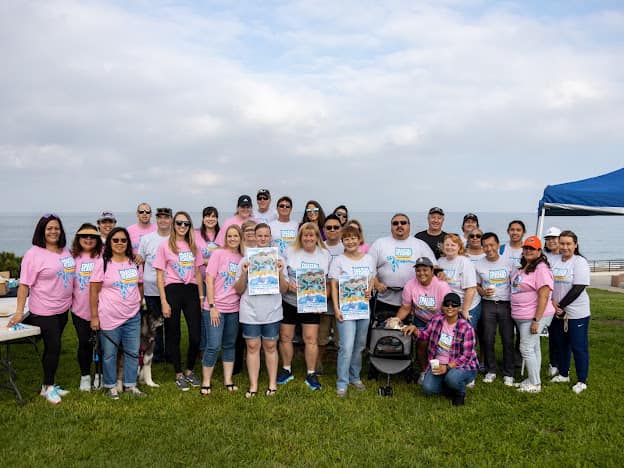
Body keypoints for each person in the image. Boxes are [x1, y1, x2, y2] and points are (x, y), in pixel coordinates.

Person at [9, 214, 76, 404]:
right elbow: (24, 285)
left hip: (63, 309)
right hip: (44, 310)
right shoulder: (34, 254)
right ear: (42, 231)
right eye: (49, 228)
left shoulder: (65, 251)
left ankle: (49, 384)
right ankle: (47, 387)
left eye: (56, 228)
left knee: (52, 348)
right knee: (54, 348)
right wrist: (20, 311)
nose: (53, 231)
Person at [89, 227, 145, 399]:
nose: (120, 243)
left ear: (128, 242)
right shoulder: (103, 263)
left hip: (132, 316)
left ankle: (130, 385)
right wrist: (94, 317)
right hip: (109, 316)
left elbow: (140, 284)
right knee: (109, 354)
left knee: (132, 352)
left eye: (123, 240)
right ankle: (111, 386)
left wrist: (137, 301)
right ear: (110, 243)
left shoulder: (134, 262)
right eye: (116, 240)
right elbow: (93, 291)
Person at [234, 223, 288, 397]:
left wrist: (279, 272)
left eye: (266, 235)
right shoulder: (246, 259)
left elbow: (285, 289)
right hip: (250, 310)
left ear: (270, 237)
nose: (263, 238)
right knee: (252, 346)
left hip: (272, 309)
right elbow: (239, 289)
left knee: (271, 346)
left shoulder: (279, 259)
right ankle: (253, 385)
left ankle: (272, 384)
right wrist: (244, 273)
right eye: (260, 235)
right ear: (254, 237)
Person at [153, 211, 203, 391]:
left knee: (196, 335)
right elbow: (159, 276)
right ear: (174, 225)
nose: (182, 227)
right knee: (173, 333)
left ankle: (189, 370)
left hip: (191, 291)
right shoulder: (165, 246)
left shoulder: (193, 246)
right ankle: (178, 373)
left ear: (190, 226)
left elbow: (197, 273)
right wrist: (164, 301)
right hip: (172, 290)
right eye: (179, 223)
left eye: (186, 224)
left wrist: (201, 297)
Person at [277, 222, 330, 391]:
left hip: (311, 304)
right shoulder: (290, 252)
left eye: (312, 235)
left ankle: (311, 373)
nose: (308, 238)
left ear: (317, 237)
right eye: (305, 235)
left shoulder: (324, 254)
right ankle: (286, 370)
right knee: (285, 337)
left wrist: (322, 299)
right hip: (290, 301)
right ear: (300, 236)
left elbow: (329, 282)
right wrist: (289, 286)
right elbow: (283, 278)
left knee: (311, 339)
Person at [329, 226, 376, 397]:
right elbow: (333, 285)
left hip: (363, 309)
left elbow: (371, 279)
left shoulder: (369, 259)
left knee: (359, 346)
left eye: (353, 238)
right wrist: (336, 307)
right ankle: (342, 382)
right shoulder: (339, 261)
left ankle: (354, 376)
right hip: (345, 310)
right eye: (347, 239)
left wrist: (369, 289)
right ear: (342, 242)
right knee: (346, 346)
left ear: (359, 239)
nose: (350, 242)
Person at [411, 292, 478, 406]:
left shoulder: (466, 327)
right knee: (428, 388)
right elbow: (425, 334)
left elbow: (466, 356)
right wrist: (414, 329)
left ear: (459, 307)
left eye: (454, 305)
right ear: (442, 306)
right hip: (438, 363)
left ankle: (459, 392)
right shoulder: (437, 319)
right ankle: (450, 388)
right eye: (447, 304)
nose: (450, 307)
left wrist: (447, 368)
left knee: (452, 378)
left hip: (462, 365)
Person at [201, 225, 244, 395]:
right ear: (225, 238)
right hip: (215, 307)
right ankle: (206, 381)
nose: (233, 239)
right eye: (230, 236)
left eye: (236, 236)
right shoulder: (218, 254)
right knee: (213, 345)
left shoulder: (242, 257)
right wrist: (212, 306)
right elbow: (209, 280)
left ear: (240, 238)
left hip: (234, 308)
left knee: (229, 344)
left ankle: (228, 380)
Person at [368, 213, 436, 321]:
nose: (399, 225)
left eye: (403, 223)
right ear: (391, 227)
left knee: (408, 335)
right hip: (384, 300)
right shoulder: (379, 243)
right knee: (382, 334)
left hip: (413, 302)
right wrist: (376, 283)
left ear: (409, 226)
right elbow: (369, 268)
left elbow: (434, 268)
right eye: (395, 223)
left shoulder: (420, 245)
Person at [510, 236, 555, 393]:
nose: (528, 251)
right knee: (534, 348)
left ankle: (535, 384)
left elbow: (544, 296)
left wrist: (537, 320)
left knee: (526, 348)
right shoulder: (526, 266)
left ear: (539, 251)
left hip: (533, 316)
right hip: (522, 315)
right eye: (526, 248)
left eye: (532, 249)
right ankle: (532, 378)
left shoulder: (541, 269)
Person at [396, 257, 451, 383]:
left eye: (425, 270)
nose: (422, 273)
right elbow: (406, 307)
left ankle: (441, 371)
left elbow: (448, 310)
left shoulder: (442, 286)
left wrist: (440, 327)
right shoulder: (410, 285)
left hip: (440, 320)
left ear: (432, 270)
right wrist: (395, 319)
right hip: (421, 319)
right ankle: (424, 371)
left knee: (439, 346)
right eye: (418, 270)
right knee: (421, 344)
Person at [549, 230, 591, 394]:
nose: (565, 247)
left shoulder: (579, 262)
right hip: (557, 311)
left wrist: (561, 305)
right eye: (562, 243)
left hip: (576, 313)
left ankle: (582, 380)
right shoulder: (554, 261)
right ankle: (564, 373)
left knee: (578, 347)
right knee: (562, 345)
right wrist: (553, 303)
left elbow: (579, 287)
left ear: (575, 245)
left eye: (568, 243)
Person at [475, 232, 515, 386]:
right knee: (488, 338)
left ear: (498, 245)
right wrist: (483, 292)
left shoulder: (508, 263)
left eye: (492, 245)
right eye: (485, 246)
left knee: (507, 339)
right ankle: (491, 370)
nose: (489, 248)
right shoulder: (478, 264)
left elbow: (515, 283)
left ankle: (509, 372)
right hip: (488, 304)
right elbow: (477, 285)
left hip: (506, 304)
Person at [70, 223, 103, 391]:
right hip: (79, 310)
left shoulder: (104, 256)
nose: (88, 239)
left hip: (103, 309)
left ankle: (100, 374)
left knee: (102, 344)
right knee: (85, 343)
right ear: (78, 238)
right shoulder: (71, 257)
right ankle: (85, 376)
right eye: (84, 236)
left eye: (92, 237)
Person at [138, 207, 173, 363]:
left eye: (166, 217)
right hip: (151, 288)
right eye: (160, 217)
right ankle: (156, 354)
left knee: (171, 323)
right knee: (154, 324)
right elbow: (140, 260)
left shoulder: (175, 239)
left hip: (170, 287)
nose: (163, 220)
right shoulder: (146, 239)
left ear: (171, 219)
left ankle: (172, 354)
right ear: (156, 219)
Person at [317, 214, 344, 373]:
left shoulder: (346, 247)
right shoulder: (319, 248)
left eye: (336, 227)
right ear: (324, 230)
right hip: (322, 302)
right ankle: (317, 364)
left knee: (341, 340)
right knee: (321, 337)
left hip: (343, 302)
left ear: (341, 229)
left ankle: (341, 367)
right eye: (329, 227)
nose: (332, 230)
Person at [437, 234, 480, 328]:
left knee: (466, 335)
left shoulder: (464, 262)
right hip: (451, 306)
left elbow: (471, 289)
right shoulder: (440, 261)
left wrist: (464, 310)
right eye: (447, 245)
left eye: (453, 245)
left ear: (459, 247)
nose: (449, 247)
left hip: (468, 305)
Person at [194, 206, 220, 356]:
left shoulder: (221, 235)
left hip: (218, 282)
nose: (210, 219)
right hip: (200, 281)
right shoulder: (196, 234)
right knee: (203, 314)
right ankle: (203, 348)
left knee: (215, 313)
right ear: (203, 218)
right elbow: (193, 257)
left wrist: (205, 261)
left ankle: (214, 345)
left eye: (213, 216)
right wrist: (208, 261)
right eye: (207, 216)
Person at [542, 225, 561, 377]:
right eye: (548, 239)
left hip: (564, 302)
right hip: (548, 303)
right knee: (553, 335)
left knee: (564, 336)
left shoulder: (567, 256)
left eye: (554, 238)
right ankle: (553, 363)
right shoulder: (543, 257)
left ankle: (562, 363)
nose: (551, 241)